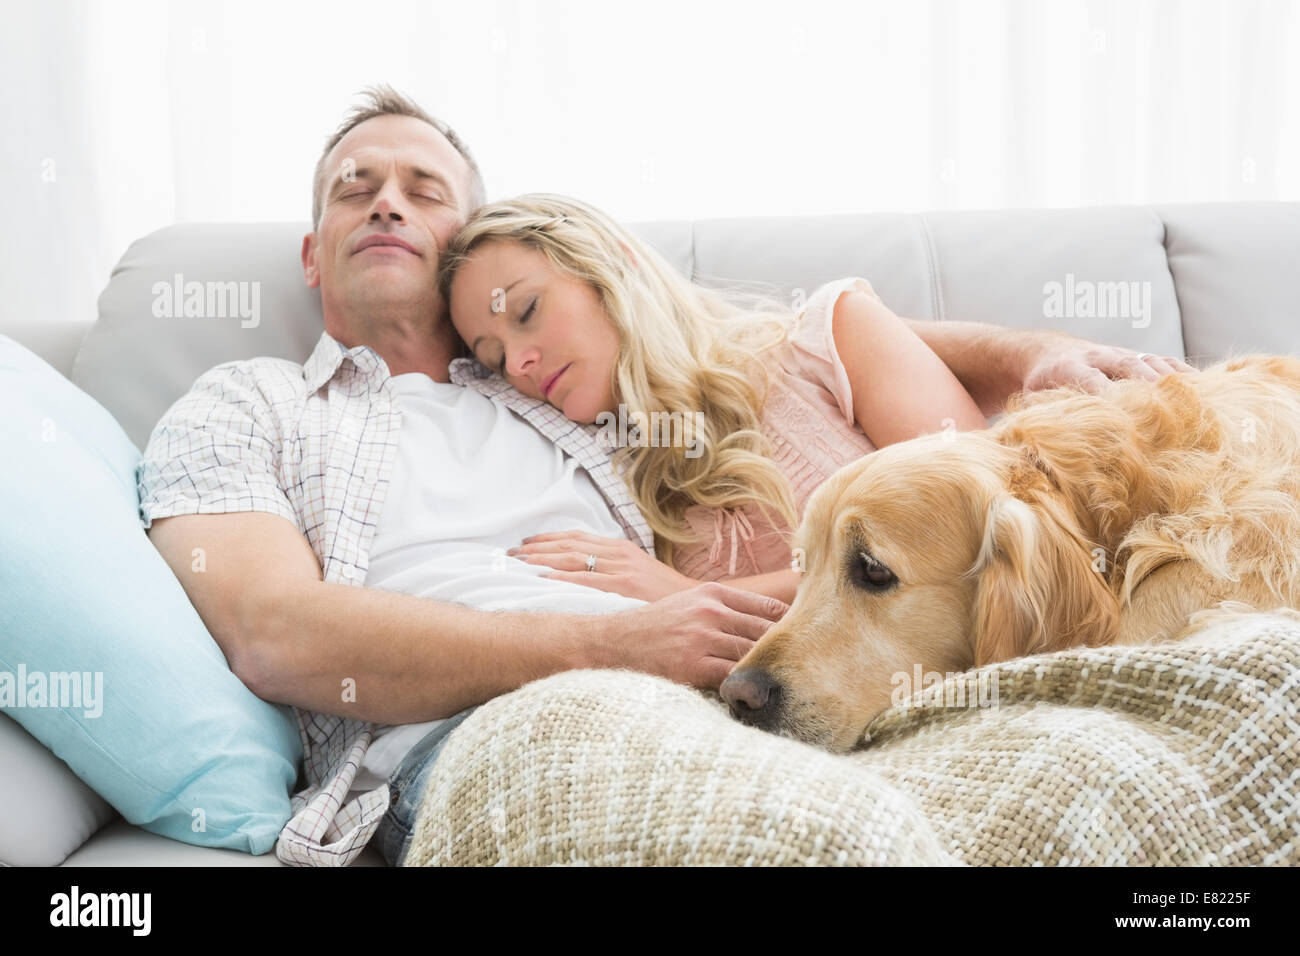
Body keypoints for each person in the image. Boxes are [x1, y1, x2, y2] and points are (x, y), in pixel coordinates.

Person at [137, 85, 1190, 868]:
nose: (385, 205)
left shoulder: (563, 390)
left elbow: (787, 341)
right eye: (351, 191)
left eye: (423, 189)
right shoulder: (250, 403)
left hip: (724, 694)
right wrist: (616, 639)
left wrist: (1021, 355)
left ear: (471, 240)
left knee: (1117, 783)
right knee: (814, 841)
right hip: (497, 723)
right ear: (313, 254)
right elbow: (272, 630)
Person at [439, 193, 1193, 604]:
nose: (522, 359)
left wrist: (682, 597)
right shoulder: (612, 485)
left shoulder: (826, 339)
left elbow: (973, 528)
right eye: (494, 355)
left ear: (615, 264)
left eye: (527, 311)